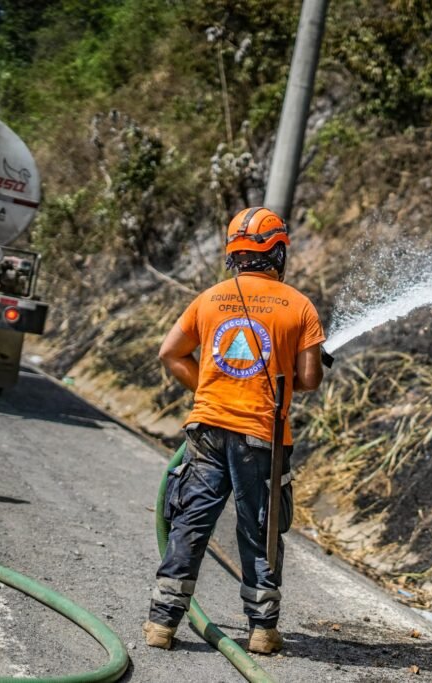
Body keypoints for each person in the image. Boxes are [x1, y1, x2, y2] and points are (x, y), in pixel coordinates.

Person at [143, 207, 325, 654]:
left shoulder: (210, 298)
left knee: (190, 520)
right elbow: (310, 379)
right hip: (261, 438)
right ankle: (262, 632)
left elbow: (170, 353)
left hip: (205, 429)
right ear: (277, 251)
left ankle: (161, 625)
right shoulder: (298, 306)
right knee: (258, 529)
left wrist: (205, 384)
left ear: (234, 254)